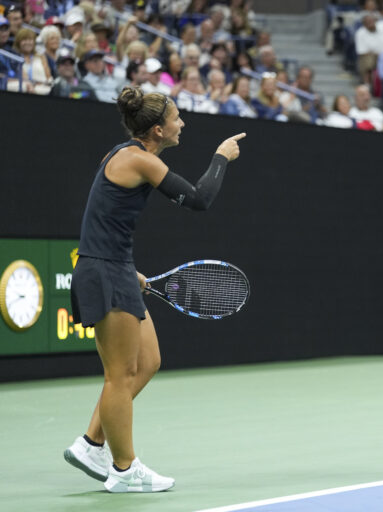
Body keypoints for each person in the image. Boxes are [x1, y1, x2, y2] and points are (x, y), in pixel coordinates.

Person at [64, 86, 245, 492]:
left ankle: (92, 444)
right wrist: (221, 157)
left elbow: (104, 222)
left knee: (147, 363)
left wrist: (130, 271)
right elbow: (199, 199)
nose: (183, 123)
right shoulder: (139, 160)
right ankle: (125, 470)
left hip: (116, 268)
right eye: (177, 118)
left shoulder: (123, 154)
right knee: (119, 374)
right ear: (159, 130)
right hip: (105, 272)